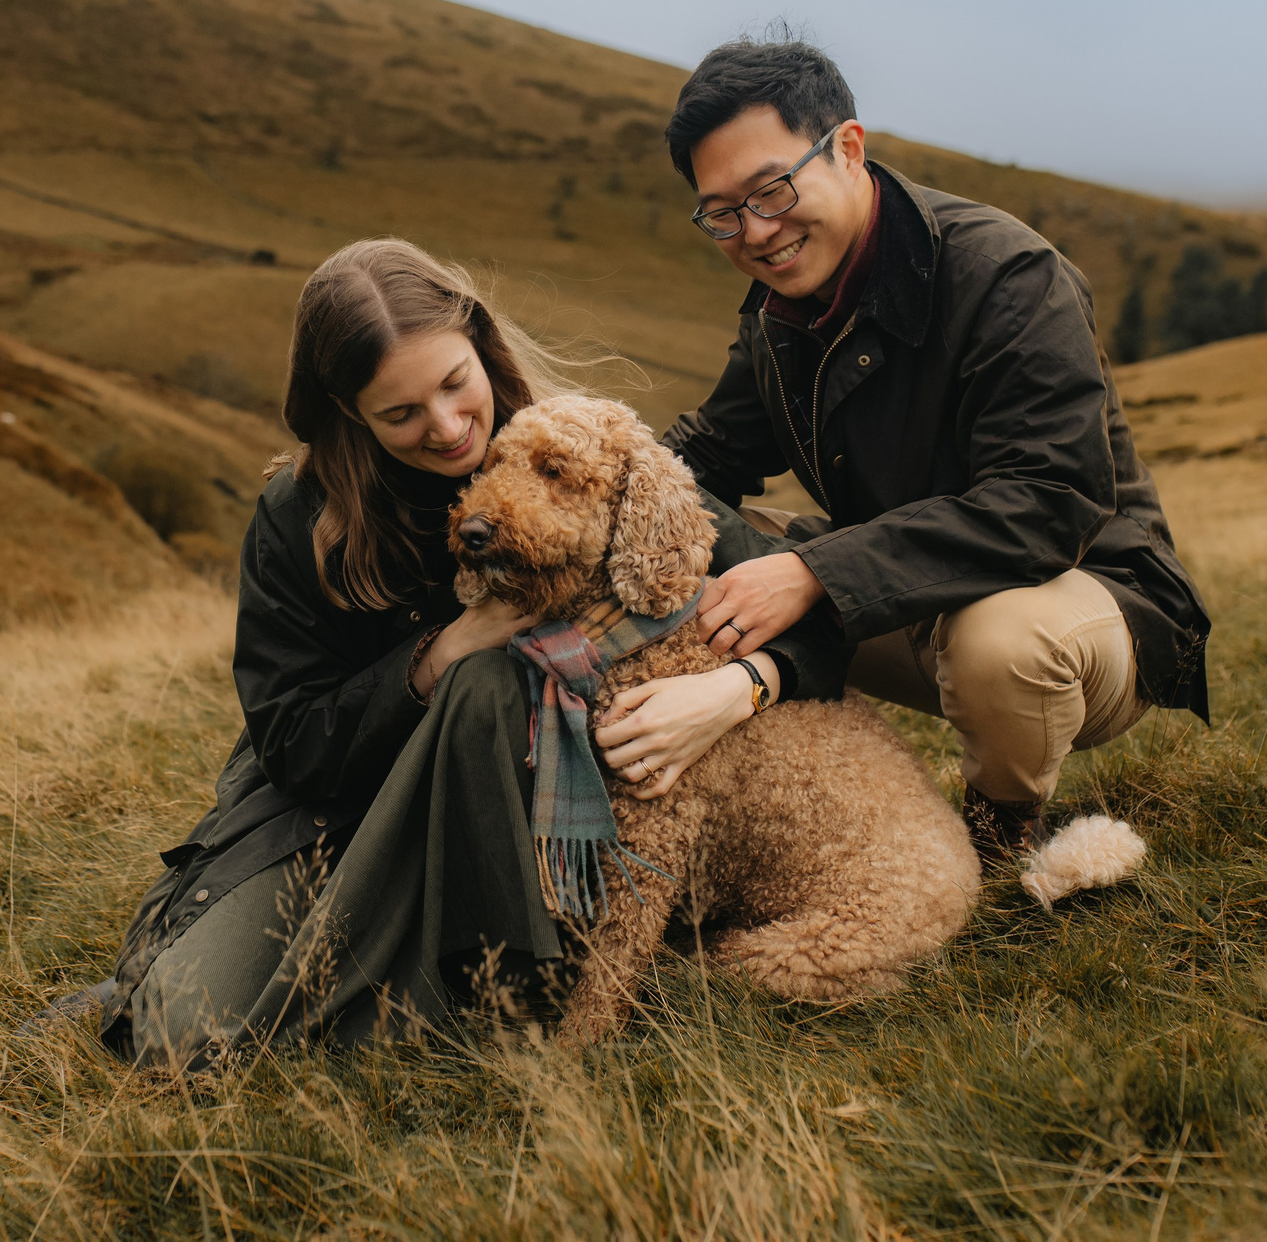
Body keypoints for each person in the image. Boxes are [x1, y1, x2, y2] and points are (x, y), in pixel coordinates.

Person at [91, 238, 850, 1067]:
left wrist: (742, 686)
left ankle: (504, 989)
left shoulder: (566, 446)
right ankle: (303, 969)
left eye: (456, 384)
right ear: (349, 413)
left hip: (519, 821)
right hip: (343, 810)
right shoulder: (298, 515)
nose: (448, 428)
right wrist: (440, 652)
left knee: (492, 686)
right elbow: (294, 743)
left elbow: (800, 596)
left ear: (482, 348)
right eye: (401, 413)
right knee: (178, 1034)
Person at [656, 37, 1212, 862]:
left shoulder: (1009, 277)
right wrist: (592, 493)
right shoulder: (780, 311)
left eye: (772, 190)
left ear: (848, 148)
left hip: (1084, 601)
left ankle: (996, 838)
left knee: (999, 641)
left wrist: (815, 571)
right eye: (723, 212)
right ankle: (743, 811)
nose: (756, 231)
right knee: (672, 539)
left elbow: (1051, 501)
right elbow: (709, 455)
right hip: (907, 598)